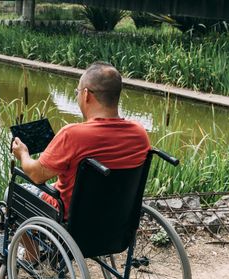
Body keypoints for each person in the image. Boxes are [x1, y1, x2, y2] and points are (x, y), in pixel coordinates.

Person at [11, 61, 151, 261]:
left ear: (86, 94)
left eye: (77, 92)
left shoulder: (73, 134)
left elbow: (35, 174)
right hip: (117, 217)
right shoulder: (139, 133)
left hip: (71, 219)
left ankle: (32, 255)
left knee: (14, 192)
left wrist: (23, 153)